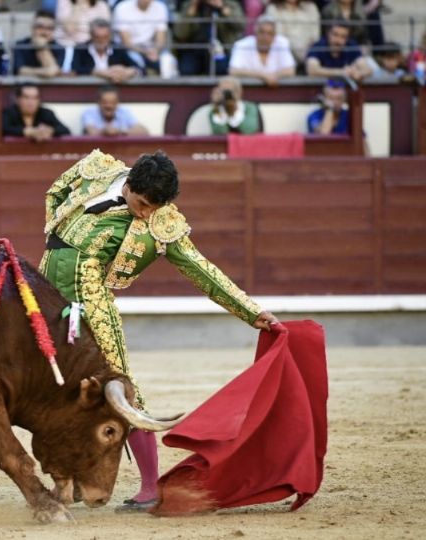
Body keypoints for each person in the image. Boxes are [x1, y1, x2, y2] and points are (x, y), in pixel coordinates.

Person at [39, 149, 279, 512]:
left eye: (155, 207)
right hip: (43, 294)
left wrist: (251, 311)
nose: (147, 213)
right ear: (130, 184)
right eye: (143, 203)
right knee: (49, 386)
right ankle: (68, 478)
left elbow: (201, 270)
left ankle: (149, 487)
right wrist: (54, 232)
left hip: (92, 308)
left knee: (121, 390)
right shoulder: (98, 172)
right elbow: (55, 192)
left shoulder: (161, 223)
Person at [172, 0, 245, 76]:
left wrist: (222, 7)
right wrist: (192, 9)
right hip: (194, 48)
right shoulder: (189, 4)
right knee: (186, 69)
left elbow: (241, 26)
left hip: (221, 48)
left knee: (221, 69)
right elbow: (179, 33)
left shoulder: (230, 3)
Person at [227, 15, 296, 86]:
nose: (265, 37)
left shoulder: (282, 43)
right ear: (255, 33)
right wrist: (263, 75)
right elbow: (233, 71)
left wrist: (274, 76)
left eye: (270, 33)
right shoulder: (242, 45)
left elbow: (290, 70)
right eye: (262, 32)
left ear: (274, 36)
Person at [71, 18, 140, 82]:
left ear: (110, 36)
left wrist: (127, 72)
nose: (101, 41)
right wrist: (99, 73)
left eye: (105, 37)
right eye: (97, 37)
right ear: (91, 36)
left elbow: (138, 68)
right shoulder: (81, 49)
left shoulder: (117, 49)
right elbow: (75, 69)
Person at [112, 0, 169, 75]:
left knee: (168, 62)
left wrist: (155, 50)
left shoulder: (161, 7)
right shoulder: (122, 7)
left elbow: (161, 38)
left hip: (152, 49)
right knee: (137, 64)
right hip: (127, 49)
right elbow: (126, 42)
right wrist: (146, 52)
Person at [305, 20, 371, 81]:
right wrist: (341, 72)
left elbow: (367, 69)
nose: (338, 40)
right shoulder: (318, 46)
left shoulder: (351, 45)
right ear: (328, 34)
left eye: (343, 37)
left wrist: (358, 73)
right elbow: (312, 71)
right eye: (335, 35)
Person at [1, 83, 70, 141]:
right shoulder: (8, 113)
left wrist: (50, 131)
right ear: (17, 99)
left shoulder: (46, 113)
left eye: (35, 98)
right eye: (26, 98)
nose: (31, 102)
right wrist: (28, 132)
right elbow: (3, 129)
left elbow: (65, 130)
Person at [264, 0, 320, 66]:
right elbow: (279, 35)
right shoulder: (273, 8)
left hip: (309, 52)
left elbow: (315, 35)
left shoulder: (311, 7)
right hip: (285, 53)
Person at [13, 10, 65, 78]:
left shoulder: (59, 48)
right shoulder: (20, 45)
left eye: (49, 28)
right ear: (32, 27)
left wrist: (42, 47)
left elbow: (54, 71)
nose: (44, 32)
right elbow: (20, 70)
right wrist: (45, 72)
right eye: (40, 27)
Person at [82, 85, 148, 136]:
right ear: (98, 102)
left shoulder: (124, 112)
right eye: (105, 102)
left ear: (117, 103)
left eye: (112, 102)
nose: (109, 106)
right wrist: (104, 131)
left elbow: (144, 131)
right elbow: (91, 132)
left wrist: (120, 131)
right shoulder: (89, 113)